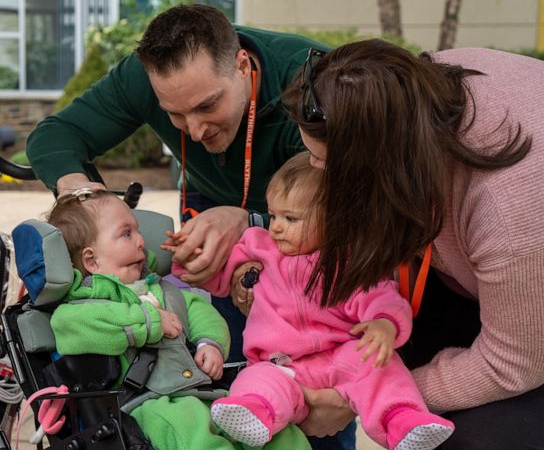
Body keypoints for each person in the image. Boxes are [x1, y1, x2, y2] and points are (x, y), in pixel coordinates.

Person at [26, 4, 357, 448]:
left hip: (310, 233)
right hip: (208, 206)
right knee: (223, 369)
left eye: (207, 106)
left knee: (308, 390)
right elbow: (53, 137)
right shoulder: (142, 78)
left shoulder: (311, 83)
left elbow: (356, 210)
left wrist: (250, 225)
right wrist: (87, 201)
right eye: (176, 115)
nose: (196, 131)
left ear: (242, 65)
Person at [283, 39, 544, 449]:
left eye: (325, 163)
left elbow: (513, 364)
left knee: (471, 436)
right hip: (480, 272)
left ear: (380, 162)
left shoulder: (509, 209)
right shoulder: (411, 87)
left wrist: (367, 396)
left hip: (528, 331)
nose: (315, 171)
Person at [171, 152, 454, 449]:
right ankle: (256, 412)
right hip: (281, 363)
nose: (276, 226)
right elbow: (219, 277)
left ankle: (402, 421)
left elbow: (381, 298)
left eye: (290, 218)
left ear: (335, 220)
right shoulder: (259, 247)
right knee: (257, 379)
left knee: (380, 366)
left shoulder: (348, 263)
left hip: (341, 358)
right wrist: (188, 259)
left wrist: (384, 326)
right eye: (274, 214)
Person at [45, 189, 311, 450]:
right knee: (194, 434)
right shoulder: (82, 306)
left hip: (200, 391)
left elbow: (198, 311)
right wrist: (147, 322)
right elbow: (73, 327)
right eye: (127, 234)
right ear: (92, 260)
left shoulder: (161, 288)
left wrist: (210, 343)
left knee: (278, 431)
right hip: (150, 405)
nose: (140, 241)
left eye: (137, 231)